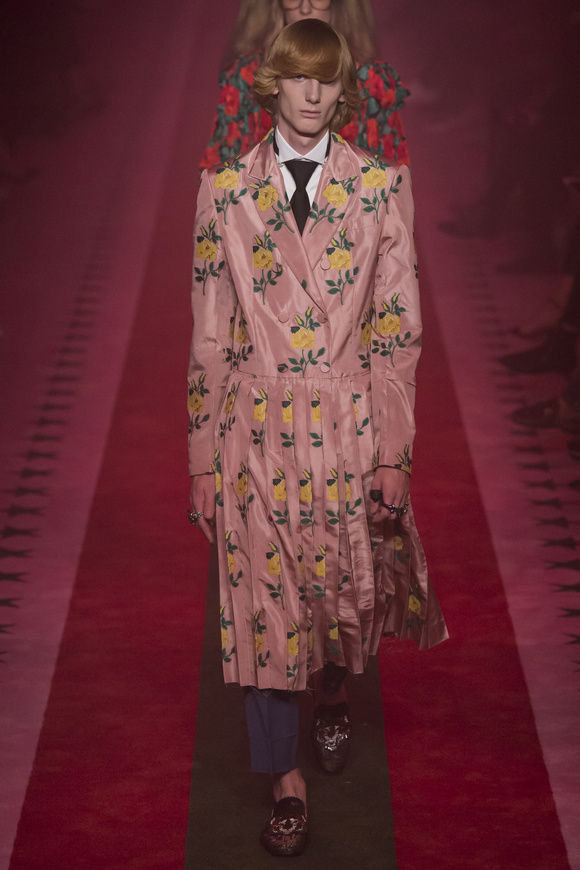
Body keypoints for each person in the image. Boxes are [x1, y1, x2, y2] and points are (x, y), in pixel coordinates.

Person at [188, 18, 447, 857]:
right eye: (297, 77)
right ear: (272, 84)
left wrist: (394, 451)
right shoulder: (226, 191)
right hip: (254, 433)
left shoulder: (379, 188)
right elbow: (209, 336)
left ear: (343, 91)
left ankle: (332, 692)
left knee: (341, 598)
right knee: (261, 615)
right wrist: (201, 462)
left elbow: (398, 329)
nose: (310, 93)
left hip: (346, 429)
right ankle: (285, 781)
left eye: (325, 80)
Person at [199, 0, 410, 170]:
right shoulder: (246, 75)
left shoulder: (373, 82)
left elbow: (391, 184)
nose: (305, 8)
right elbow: (220, 179)